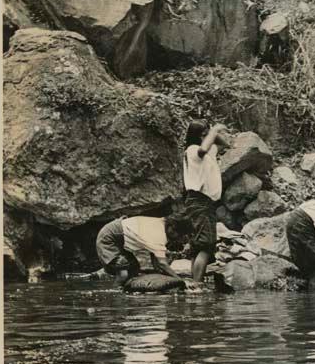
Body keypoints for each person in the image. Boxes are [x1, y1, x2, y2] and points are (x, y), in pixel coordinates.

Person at [183, 120, 229, 283]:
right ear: (197, 137)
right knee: (205, 245)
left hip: (204, 202)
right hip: (199, 200)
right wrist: (214, 130)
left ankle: (195, 284)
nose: (207, 138)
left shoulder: (209, 152)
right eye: (203, 135)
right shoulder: (193, 150)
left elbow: (226, 145)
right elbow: (203, 149)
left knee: (199, 245)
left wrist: (214, 134)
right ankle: (196, 285)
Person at [96, 213, 195, 288]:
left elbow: (155, 260)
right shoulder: (159, 235)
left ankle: (125, 292)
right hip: (109, 238)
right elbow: (162, 264)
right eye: (178, 235)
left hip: (118, 237)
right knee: (123, 273)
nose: (177, 238)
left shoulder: (162, 223)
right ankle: (114, 293)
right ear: (172, 228)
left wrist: (163, 275)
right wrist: (180, 280)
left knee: (134, 269)